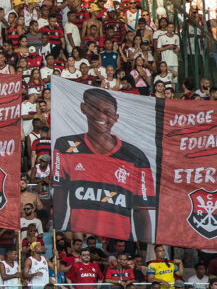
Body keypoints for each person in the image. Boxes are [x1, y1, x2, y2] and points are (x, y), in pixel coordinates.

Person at [52, 87, 155, 242]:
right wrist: (57, 234)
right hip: (80, 238)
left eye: (107, 112)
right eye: (94, 109)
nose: (100, 115)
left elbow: (141, 212)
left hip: (120, 241)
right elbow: (59, 199)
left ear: (116, 117)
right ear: (83, 108)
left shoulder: (135, 156)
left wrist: (146, 246)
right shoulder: (65, 145)